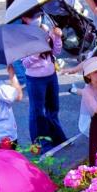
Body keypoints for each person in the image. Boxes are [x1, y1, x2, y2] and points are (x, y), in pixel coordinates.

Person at [20, 12, 67, 152]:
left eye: (39, 15)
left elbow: (56, 52)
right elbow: (25, 64)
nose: (37, 19)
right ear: (24, 18)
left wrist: (57, 37)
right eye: (32, 16)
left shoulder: (45, 29)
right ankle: (41, 144)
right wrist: (36, 53)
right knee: (38, 112)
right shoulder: (23, 37)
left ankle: (57, 137)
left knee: (53, 109)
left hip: (51, 76)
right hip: (35, 80)